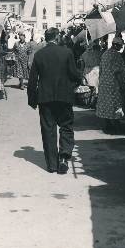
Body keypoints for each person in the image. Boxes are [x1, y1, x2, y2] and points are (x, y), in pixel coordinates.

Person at [27, 27, 82, 174]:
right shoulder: (67, 53)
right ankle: (64, 158)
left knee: (48, 130)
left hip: (45, 99)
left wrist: (32, 100)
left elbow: (32, 80)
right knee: (66, 127)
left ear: (46, 38)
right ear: (57, 37)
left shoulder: (39, 55)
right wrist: (76, 83)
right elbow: (75, 74)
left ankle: (52, 165)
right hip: (64, 97)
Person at [96, 37, 125, 133]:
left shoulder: (105, 54)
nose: (121, 48)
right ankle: (116, 126)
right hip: (113, 84)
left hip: (104, 83)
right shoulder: (117, 56)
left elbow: (101, 70)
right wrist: (122, 85)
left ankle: (107, 125)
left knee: (106, 104)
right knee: (116, 104)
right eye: (121, 46)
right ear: (116, 45)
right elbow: (119, 72)